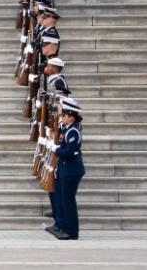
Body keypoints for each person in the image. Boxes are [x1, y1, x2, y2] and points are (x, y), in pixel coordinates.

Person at [50, 97, 85, 240]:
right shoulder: (68, 129)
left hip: (72, 170)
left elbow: (69, 152)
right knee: (63, 200)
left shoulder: (74, 132)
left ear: (71, 117)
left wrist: (55, 149)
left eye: (64, 115)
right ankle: (64, 228)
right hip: (66, 169)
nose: (62, 117)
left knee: (68, 202)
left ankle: (72, 232)